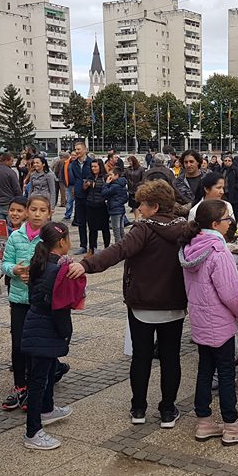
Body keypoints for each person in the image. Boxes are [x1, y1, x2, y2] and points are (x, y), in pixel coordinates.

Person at [69, 180, 187, 427]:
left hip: (142, 304)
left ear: (154, 207)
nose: (138, 208)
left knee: (141, 358)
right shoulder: (184, 230)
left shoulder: (143, 229)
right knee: (170, 358)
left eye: (142, 204)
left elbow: (118, 251)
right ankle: (167, 410)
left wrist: (86, 265)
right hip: (174, 305)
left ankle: (138, 409)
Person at [177, 200, 238, 445]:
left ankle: (204, 422)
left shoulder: (191, 246)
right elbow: (231, 292)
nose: (230, 223)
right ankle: (231, 425)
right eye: (227, 219)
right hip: (219, 322)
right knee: (225, 372)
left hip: (201, 319)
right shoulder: (217, 251)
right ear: (214, 224)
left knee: (205, 370)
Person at [22, 222, 74, 450]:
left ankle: (48, 408)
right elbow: (58, 307)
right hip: (45, 327)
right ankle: (32, 432)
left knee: (49, 369)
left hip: (38, 322)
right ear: (61, 243)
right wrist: (66, 333)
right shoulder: (55, 270)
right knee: (38, 381)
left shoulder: (42, 263)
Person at [0, 195, 53, 412]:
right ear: (27, 211)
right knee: (19, 343)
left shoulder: (50, 237)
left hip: (41, 301)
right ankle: (20, 385)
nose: (37, 214)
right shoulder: (16, 236)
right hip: (19, 299)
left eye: (42, 210)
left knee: (37, 345)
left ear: (49, 213)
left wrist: (36, 276)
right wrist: (15, 270)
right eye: (33, 210)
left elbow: (57, 263)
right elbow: (5, 263)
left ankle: (35, 385)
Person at [69, 143, 94, 254]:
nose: (77, 151)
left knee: (92, 222)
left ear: (85, 150)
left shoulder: (91, 163)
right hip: (79, 196)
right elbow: (73, 179)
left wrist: (90, 183)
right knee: (81, 222)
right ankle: (83, 245)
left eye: (79, 149)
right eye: (75, 149)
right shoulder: (73, 164)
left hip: (90, 195)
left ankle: (92, 246)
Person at [83, 159, 111, 257]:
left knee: (105, 229)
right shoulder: (89, 177)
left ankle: (107, 249)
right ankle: (91, 249)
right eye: (92, 167)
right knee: (92, 229)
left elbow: (108, 190)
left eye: (95, 166)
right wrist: (86, 186)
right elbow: (84, 191)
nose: (93, 168)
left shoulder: (105, 177)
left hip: (102, 206)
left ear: (100, 167)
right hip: (91, 205)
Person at [0, 153, 22, 221]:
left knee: (1, 226)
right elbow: (16, 188)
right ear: (6, 161)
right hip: (9, 202)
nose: (12, 163)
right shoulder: (11, 172)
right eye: (11, 161)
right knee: (11, 224)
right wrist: (19, 201)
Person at [104, 167, 129, 244]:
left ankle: (118, 247)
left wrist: (106, 184)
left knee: (116, 230)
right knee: (121, 229)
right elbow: (125, 197)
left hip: (115, 209)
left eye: (111, 175)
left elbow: (104, 193)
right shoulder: (122, 184)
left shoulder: (115, 186)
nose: (109, 176)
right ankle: (125, 245)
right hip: (120, 208)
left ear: (116, 175)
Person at [217, 154, 238, 222]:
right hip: (224, 194)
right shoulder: (222, 170)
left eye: (229, 160)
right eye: (225, 161)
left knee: (235, 211)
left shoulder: (235, 169)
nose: (227, 162)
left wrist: (236, 187)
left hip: (234, 193)